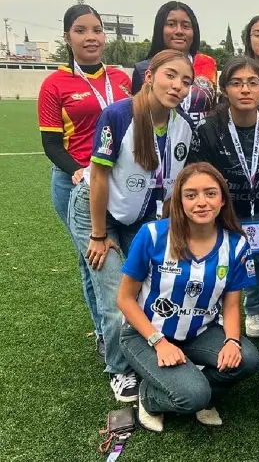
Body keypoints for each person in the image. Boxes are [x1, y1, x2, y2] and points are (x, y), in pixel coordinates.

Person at [68, 50, 194, 402]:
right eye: (171, 75)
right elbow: (99, 179)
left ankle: (120, 344)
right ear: (150, 75)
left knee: (140, 289)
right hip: (95, 211)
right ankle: (119, 370)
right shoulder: (118, 115)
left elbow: (170, 185)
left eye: (186, 81)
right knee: (113, 292)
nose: (179, 86)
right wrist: (98, 234)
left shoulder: (182, 124)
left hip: (139, 214)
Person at [118, 162, 259, 432]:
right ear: (179, 201)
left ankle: (198, 386)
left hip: (199, 332)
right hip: (146, 335)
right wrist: (159, 343)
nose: (201, 202)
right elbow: (124, 299)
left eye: (210, 193)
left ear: (222, 200)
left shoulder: (237, 245)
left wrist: (231, 341)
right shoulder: (153, 235)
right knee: (192, 396)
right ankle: (150, 398)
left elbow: (231, 305)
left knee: (247, 359)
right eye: (191, 195)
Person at [38, 4, 131, 358]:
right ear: (67, 37)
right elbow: (50, 143)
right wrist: (79, 170)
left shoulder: (122, 79)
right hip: (74, 182)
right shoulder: (54, 84)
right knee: (91, 258)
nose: (90, 37)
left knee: (118, 251)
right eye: (81, 30)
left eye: (96, 30)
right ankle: (104, 334)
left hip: (120, 183)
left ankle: (122, 327)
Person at [187, 56, 259, 339]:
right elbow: (198, 181)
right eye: (236, 83)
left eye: (253, 83)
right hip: (226, 214)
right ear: (225, 89)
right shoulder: (209, 129)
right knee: (234, 265)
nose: (245, 89)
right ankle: (252, 309)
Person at [132, 1, 216, 124]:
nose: (179, 31)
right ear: (160, 29)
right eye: (171, 24)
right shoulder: (143, 69)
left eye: (186, 26)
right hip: (161, 139)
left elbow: (213, 107)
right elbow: (138, 114)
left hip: (203, 140)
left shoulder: (208, 64)